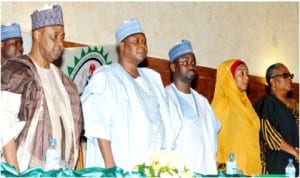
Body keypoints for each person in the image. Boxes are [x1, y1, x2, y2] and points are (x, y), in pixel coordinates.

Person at [81, 18, 180, 171]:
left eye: (144, 41)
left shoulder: (152, 79)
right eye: (136, 41)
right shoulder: (107, 76)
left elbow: (165, 122)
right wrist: (110, 167)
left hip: (151, 167)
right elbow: (98, 124)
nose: (142, 45)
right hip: (121, 167)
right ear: (122, 46)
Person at [1, 5, 83, 172]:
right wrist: (14, 174)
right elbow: (4, 125)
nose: (60, 44)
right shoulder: (16, 71)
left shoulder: (66, 83)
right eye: (54, 37)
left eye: (62, 37)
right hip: (25, 172)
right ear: (37, 35)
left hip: (61, 172)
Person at [165, 39, 221, 175]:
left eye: (193, 62)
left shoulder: (202, 102)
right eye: (184, 62)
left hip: (206, 171)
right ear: (173, 67)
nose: (190, 65)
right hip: (178, 172)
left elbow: (214, 133)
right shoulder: (165, 98)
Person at [211, 59, 261, 176]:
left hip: (251, 168)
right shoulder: (222, 104)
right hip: (233, 170)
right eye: (241, 73)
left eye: (247, 73)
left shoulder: (246, 104)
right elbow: (215, 139)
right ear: (229, 77)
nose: (247, 77)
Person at [254, 63, 299, 176]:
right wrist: (295, 152)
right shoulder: (268, 103)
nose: (289, 79)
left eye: (290, 76)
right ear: (272, 81)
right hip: (277, 163)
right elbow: (269, 135)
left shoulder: (296, 104)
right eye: (285, 75)